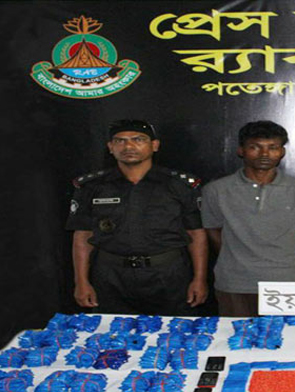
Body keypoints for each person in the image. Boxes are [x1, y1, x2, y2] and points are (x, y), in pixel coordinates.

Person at [66, 119, 208, 315]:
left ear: (154, 145)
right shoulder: (92, 186)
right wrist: (81, 282)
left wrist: (199, 279)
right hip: (110, 275)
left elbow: (196, 233)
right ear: (110, 147)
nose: (129, 146)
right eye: (120, 141)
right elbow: (82, 236)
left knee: (171, 330)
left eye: (138, 139)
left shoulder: (179, 185)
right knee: (111, 331)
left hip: (167, 274)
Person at [201, 121, 295, 317]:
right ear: (241, 150)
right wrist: (237, 258)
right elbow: (213, 231)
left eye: (272, 147)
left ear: (282, 152)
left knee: (288, 336)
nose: (264, 154)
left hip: (286, 281)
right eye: (255, 147)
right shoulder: (216, 190)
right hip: (235, 282)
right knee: (237, 335)